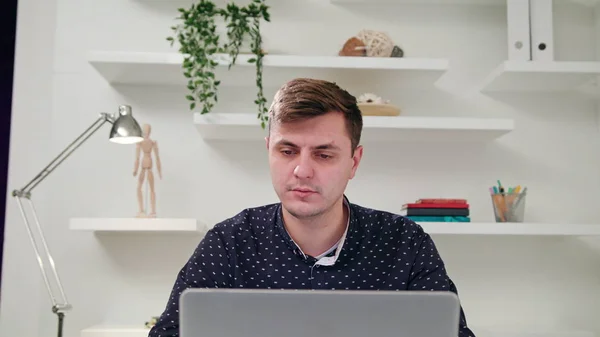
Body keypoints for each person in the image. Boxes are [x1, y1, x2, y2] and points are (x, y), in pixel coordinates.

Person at [148, 78, 475, 337]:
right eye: (287, 151)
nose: (302, 170)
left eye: (323, 154)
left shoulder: (405, 243)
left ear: (354, 162)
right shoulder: (228, 243)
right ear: (269, 152)